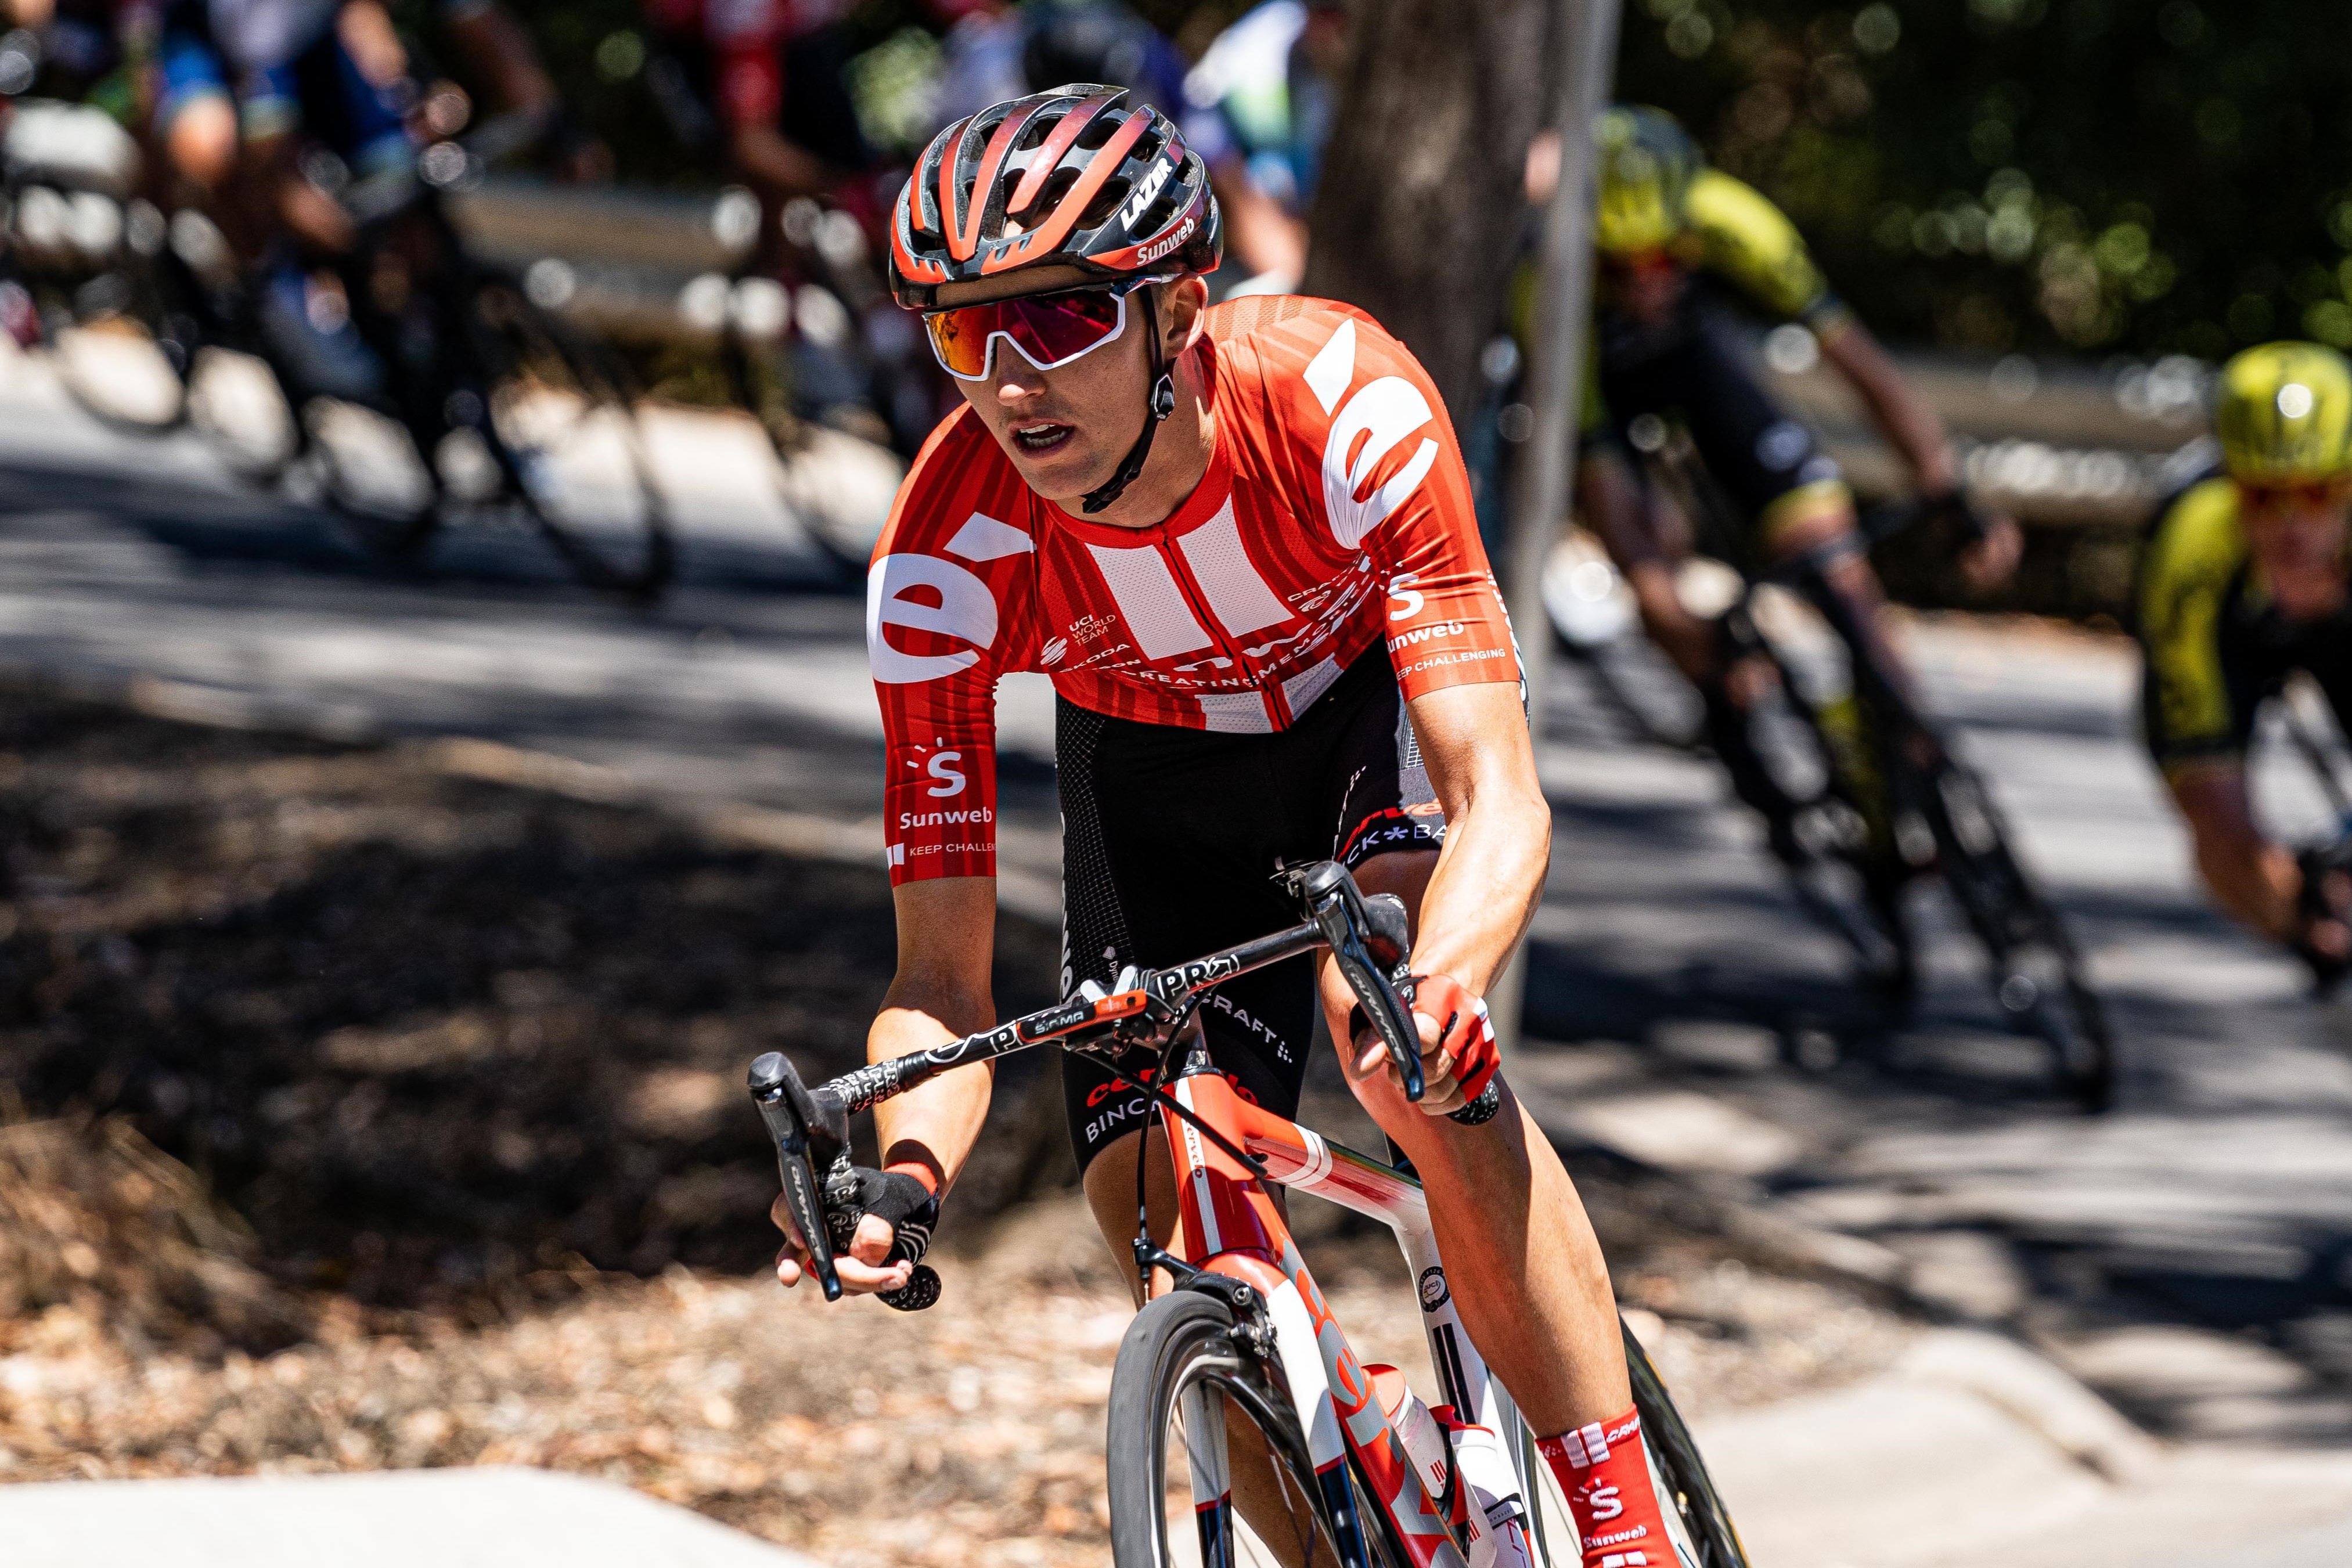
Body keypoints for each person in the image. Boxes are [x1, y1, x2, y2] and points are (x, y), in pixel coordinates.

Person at [767, 83, 1680, 1567]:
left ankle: (1616, 1512)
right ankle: (1347, 1467)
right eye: (958, 332)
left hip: (1353, 729)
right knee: (1146, 1198)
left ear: (1178, 309)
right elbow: (935, 987)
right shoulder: (943, 555)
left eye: (1057, 319)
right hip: (1150, 776)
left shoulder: (1343, 406)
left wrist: (1443, 982)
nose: (1006, 381)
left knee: (1397, 1048)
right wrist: (899, 1177)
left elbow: (1497, 797)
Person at [1564, 106, 2022, 871]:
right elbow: (1608, 495)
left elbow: (1862, 369)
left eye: (1665, 259)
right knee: (1660, 591)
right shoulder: (1551, 283)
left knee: (1834, 561)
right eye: (1624, 266)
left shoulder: (1732, 222)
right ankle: (1734, 720)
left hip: (1703, 368)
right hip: (1608, 399)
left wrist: (1946, 492)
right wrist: (1663, 606)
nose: (1648, 281)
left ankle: (1887, 732)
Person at [2138, 341, 2352, 979]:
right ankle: (2313, 940)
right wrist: (2281, 897)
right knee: (2220, 839)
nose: (2292, 525)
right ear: (2229, 478)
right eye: (2263, 496)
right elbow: (2207, 788)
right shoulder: (2189, 544)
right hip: (2223, 634)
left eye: (2317, 493)